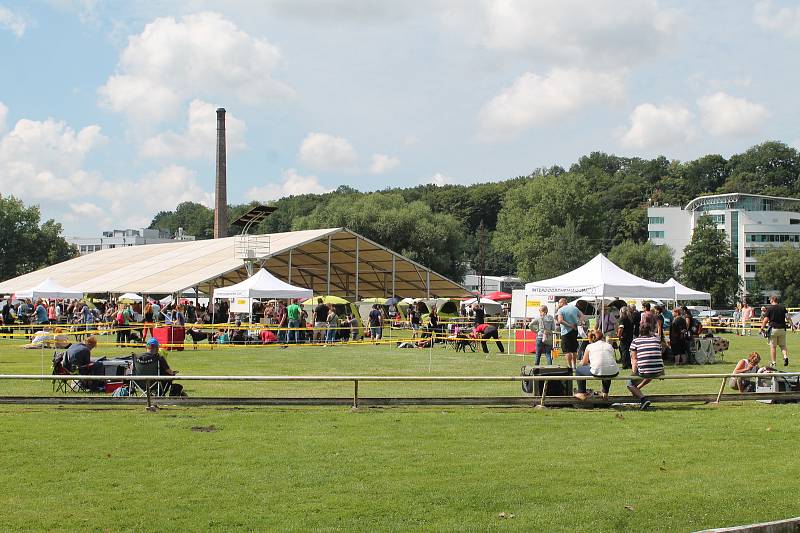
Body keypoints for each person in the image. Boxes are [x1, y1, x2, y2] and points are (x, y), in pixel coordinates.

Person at [627, 323, 664, 410]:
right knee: (649, 372)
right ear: (650, 331)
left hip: (646, 370)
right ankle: (638, 389)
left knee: (630, 384)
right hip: (658, 370)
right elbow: (659, 355)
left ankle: (643, 399)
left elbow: (634, 359)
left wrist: (633, 372)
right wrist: (662, 371)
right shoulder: (656, 340)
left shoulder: (635, 341)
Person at [574, 330, 619, 401]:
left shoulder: (589, 346)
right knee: (607, 369)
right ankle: (605, 392)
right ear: (602, 337)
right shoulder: (609, 345)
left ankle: (581, 392)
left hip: (598, 371)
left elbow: (584, 363)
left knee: (579, 370)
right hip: (614, 372)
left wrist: (583, 363)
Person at [761, 295, 794, 367]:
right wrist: (792, 325)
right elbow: (788, 317)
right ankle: (785, 357)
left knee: (773, 347)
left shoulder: (769, 308)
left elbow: (766, 320)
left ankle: (773, 362)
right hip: (782, 329)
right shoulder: (782, 307)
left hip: (773, 329)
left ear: (772, 300)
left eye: (770, 300)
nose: (769, 301)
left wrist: (762, 328)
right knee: (783, 345)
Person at [556, 298, 583, 370]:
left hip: (565, 332)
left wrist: (570, 325)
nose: (558, 304)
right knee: (574, 349)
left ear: (562, 303)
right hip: (574, 331)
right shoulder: (574, 308)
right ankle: (574, 365)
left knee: (567, 350)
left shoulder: (560, 310)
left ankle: (569, 366)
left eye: (559, 303)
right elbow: (581, 315)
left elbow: (560, 320)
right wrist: (579, 322)